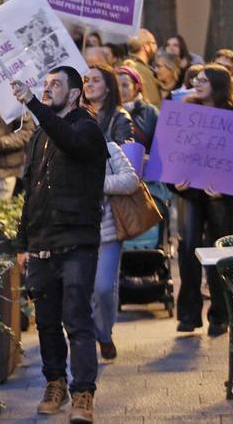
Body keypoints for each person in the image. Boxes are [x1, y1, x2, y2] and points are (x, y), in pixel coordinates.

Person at [12, 68, 107, 423]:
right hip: (42, 242)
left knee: (76, 318)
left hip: (77, 241)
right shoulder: (40, 135)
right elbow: (31, 189)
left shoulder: (86, 129)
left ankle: (84, 392)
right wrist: (25, 242)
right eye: (45, 84)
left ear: (75, 94)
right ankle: (55, 382)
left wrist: (34, 103)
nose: (48, 89)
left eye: (56, 85)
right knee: (47, 321)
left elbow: (69, 139)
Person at [176, 65, 233, 336]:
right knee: (187, 250)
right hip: (191, 193)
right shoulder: (185, 110)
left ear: (218, 85)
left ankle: (220, 315)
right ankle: (188, 314)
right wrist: (174, 182)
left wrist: (229, 188)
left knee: (220, 252)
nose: (196, 83)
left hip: (221, 195)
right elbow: (174, 149)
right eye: (196, 79)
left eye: (203, 80)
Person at [93, 140, 140, 363]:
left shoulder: (108, 147)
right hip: (73, 233)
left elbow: (132, 180)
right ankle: (87, 337)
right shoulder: (58, 147)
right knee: (81, 291)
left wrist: (97, 183)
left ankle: (104, 333)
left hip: (108, 232)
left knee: (103, 287)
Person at [82, 65, 134, 146]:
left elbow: (123, 154)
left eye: (96, 80)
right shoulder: (80, 115)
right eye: (86, 80)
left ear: (108, 87)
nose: (89, 84)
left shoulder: (120, 117)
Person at [116, 66, 158, 150]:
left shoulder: (150, 112)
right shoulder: (108, 112)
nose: (120, 90)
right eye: (116, 86)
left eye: (125, 85)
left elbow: (161, 144)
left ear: (136, 87)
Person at [123, 30, 161, 106]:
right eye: (153, 43)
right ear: (146, 47)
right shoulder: (142, 70)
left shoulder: (125, 67)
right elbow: (153, 102)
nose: (156, 47)